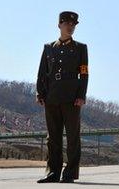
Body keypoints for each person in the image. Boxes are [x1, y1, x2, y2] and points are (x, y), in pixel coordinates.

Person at [36, 11, 88, 183]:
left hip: (72, 98)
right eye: (67, 23)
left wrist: (81, 95)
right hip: (52, 97)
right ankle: (53, 172)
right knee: (53, 137)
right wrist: (40, 92)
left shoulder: (81, 48)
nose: (70, 26)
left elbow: (84, 74)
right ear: (59, 25)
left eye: (73, 24)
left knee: (73, 136)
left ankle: (70, 173)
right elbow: (42, 73)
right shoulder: (49, 48)